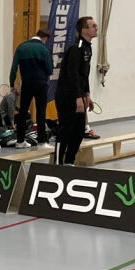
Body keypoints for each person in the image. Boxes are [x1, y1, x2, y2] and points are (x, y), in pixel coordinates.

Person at [55, 16, 97, 165]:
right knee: (66, 129)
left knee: (79, 130)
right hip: (67, 95)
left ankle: (69, 161)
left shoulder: (88, 47)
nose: (96, 28)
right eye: (92, 26)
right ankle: (59, 163)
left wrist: (87, 95)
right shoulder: (76, 48)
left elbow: (83, 75)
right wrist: (77, 97)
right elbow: (72, 74)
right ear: (84, 30)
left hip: (78, 94)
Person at [9, 29, 54, 148]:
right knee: (41, 112)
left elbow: (14, 68)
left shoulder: (21, 47)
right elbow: (50, 70)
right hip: (41, 84)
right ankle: (42, 142)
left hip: (26, 84)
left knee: (22, 112)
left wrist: (12, 83)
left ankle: (20, 141)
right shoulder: (44, 49)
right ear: (45, 38)